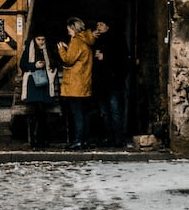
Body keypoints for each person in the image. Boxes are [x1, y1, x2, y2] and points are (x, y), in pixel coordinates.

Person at [57, 16, 95, 149]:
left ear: (73, 28)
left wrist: (61, 49)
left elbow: (68, 60)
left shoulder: (76, 41)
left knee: (77, 114)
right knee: (84, 114)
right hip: (84, 83)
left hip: (74, 85)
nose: (67, 31)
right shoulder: (86, 41)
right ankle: (85, 140)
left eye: (68, 28)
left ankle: (78, 141)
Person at [19, 30, 59, 149]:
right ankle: (38, 139)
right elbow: (23, 65)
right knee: (38, 111)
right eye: (39, 39)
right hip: (33, 84)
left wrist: (49, 65)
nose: (41, 42)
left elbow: (55, 63)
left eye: (43, 40)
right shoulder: (29, 49)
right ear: (34, 39)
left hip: (45, 84)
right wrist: (35, 65)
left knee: (42, 112)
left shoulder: (48, 49)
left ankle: (41, 139)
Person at [92, 18, 128, 147]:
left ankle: (118, 138)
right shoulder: (96, 40)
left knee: (115, 110)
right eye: (97, 24)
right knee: (105, 112)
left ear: (107, 26)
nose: (98, 26)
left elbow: (123, 60)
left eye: (101, 24)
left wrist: (105, 57)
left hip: (113, 82)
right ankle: (108, 137)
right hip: (100, 82)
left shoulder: (117, 40)